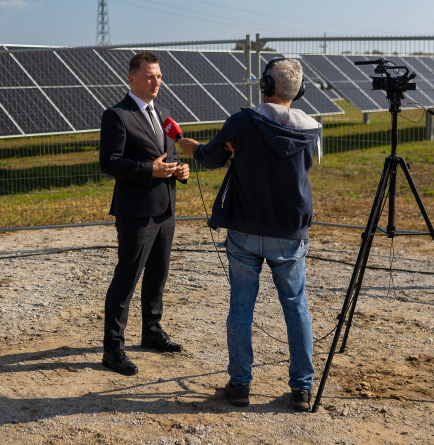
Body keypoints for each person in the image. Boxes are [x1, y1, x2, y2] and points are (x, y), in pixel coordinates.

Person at [176, 58, 321, 410]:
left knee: (241, 305)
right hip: (289, 231)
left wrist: (193, 149)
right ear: (298, 91)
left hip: (244, 229)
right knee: (296, 307)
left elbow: (211, 158)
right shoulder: (311, 128)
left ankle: (240, 385)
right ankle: (302, 388)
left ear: (265, 85)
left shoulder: (242, 122)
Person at [99, 51, 190, 376]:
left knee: (158, 274)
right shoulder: (118, 115)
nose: (156, 81)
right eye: (150, 76)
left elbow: (167, 155)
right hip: (136, 212)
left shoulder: (163, 113)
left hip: (165, 209)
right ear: (132, 79)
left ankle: (151, 331)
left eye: (159, 76)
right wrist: (148, 170)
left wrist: (180, 169)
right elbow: (109, 162)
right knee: (127, 277)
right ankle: (113, 349)